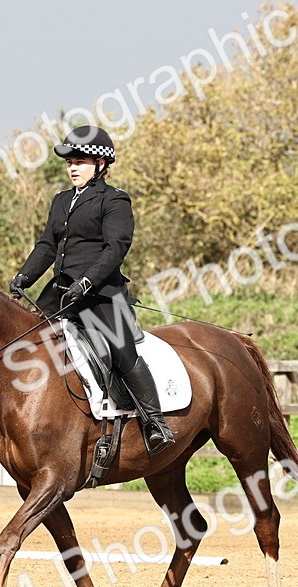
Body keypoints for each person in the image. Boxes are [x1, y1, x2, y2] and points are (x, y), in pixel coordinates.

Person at [9, 125, 176, 453]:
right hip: (59, 294)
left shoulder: (114, 200)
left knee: (120, 351)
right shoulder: (61, 202)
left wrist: (88, 281)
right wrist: (23, 277)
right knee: (26, 341)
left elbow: (115, 248)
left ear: (101, 164)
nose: (72, 166)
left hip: (101, 295)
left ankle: (155, 423)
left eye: (80, 160)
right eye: (69, 161)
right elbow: (46, 246)